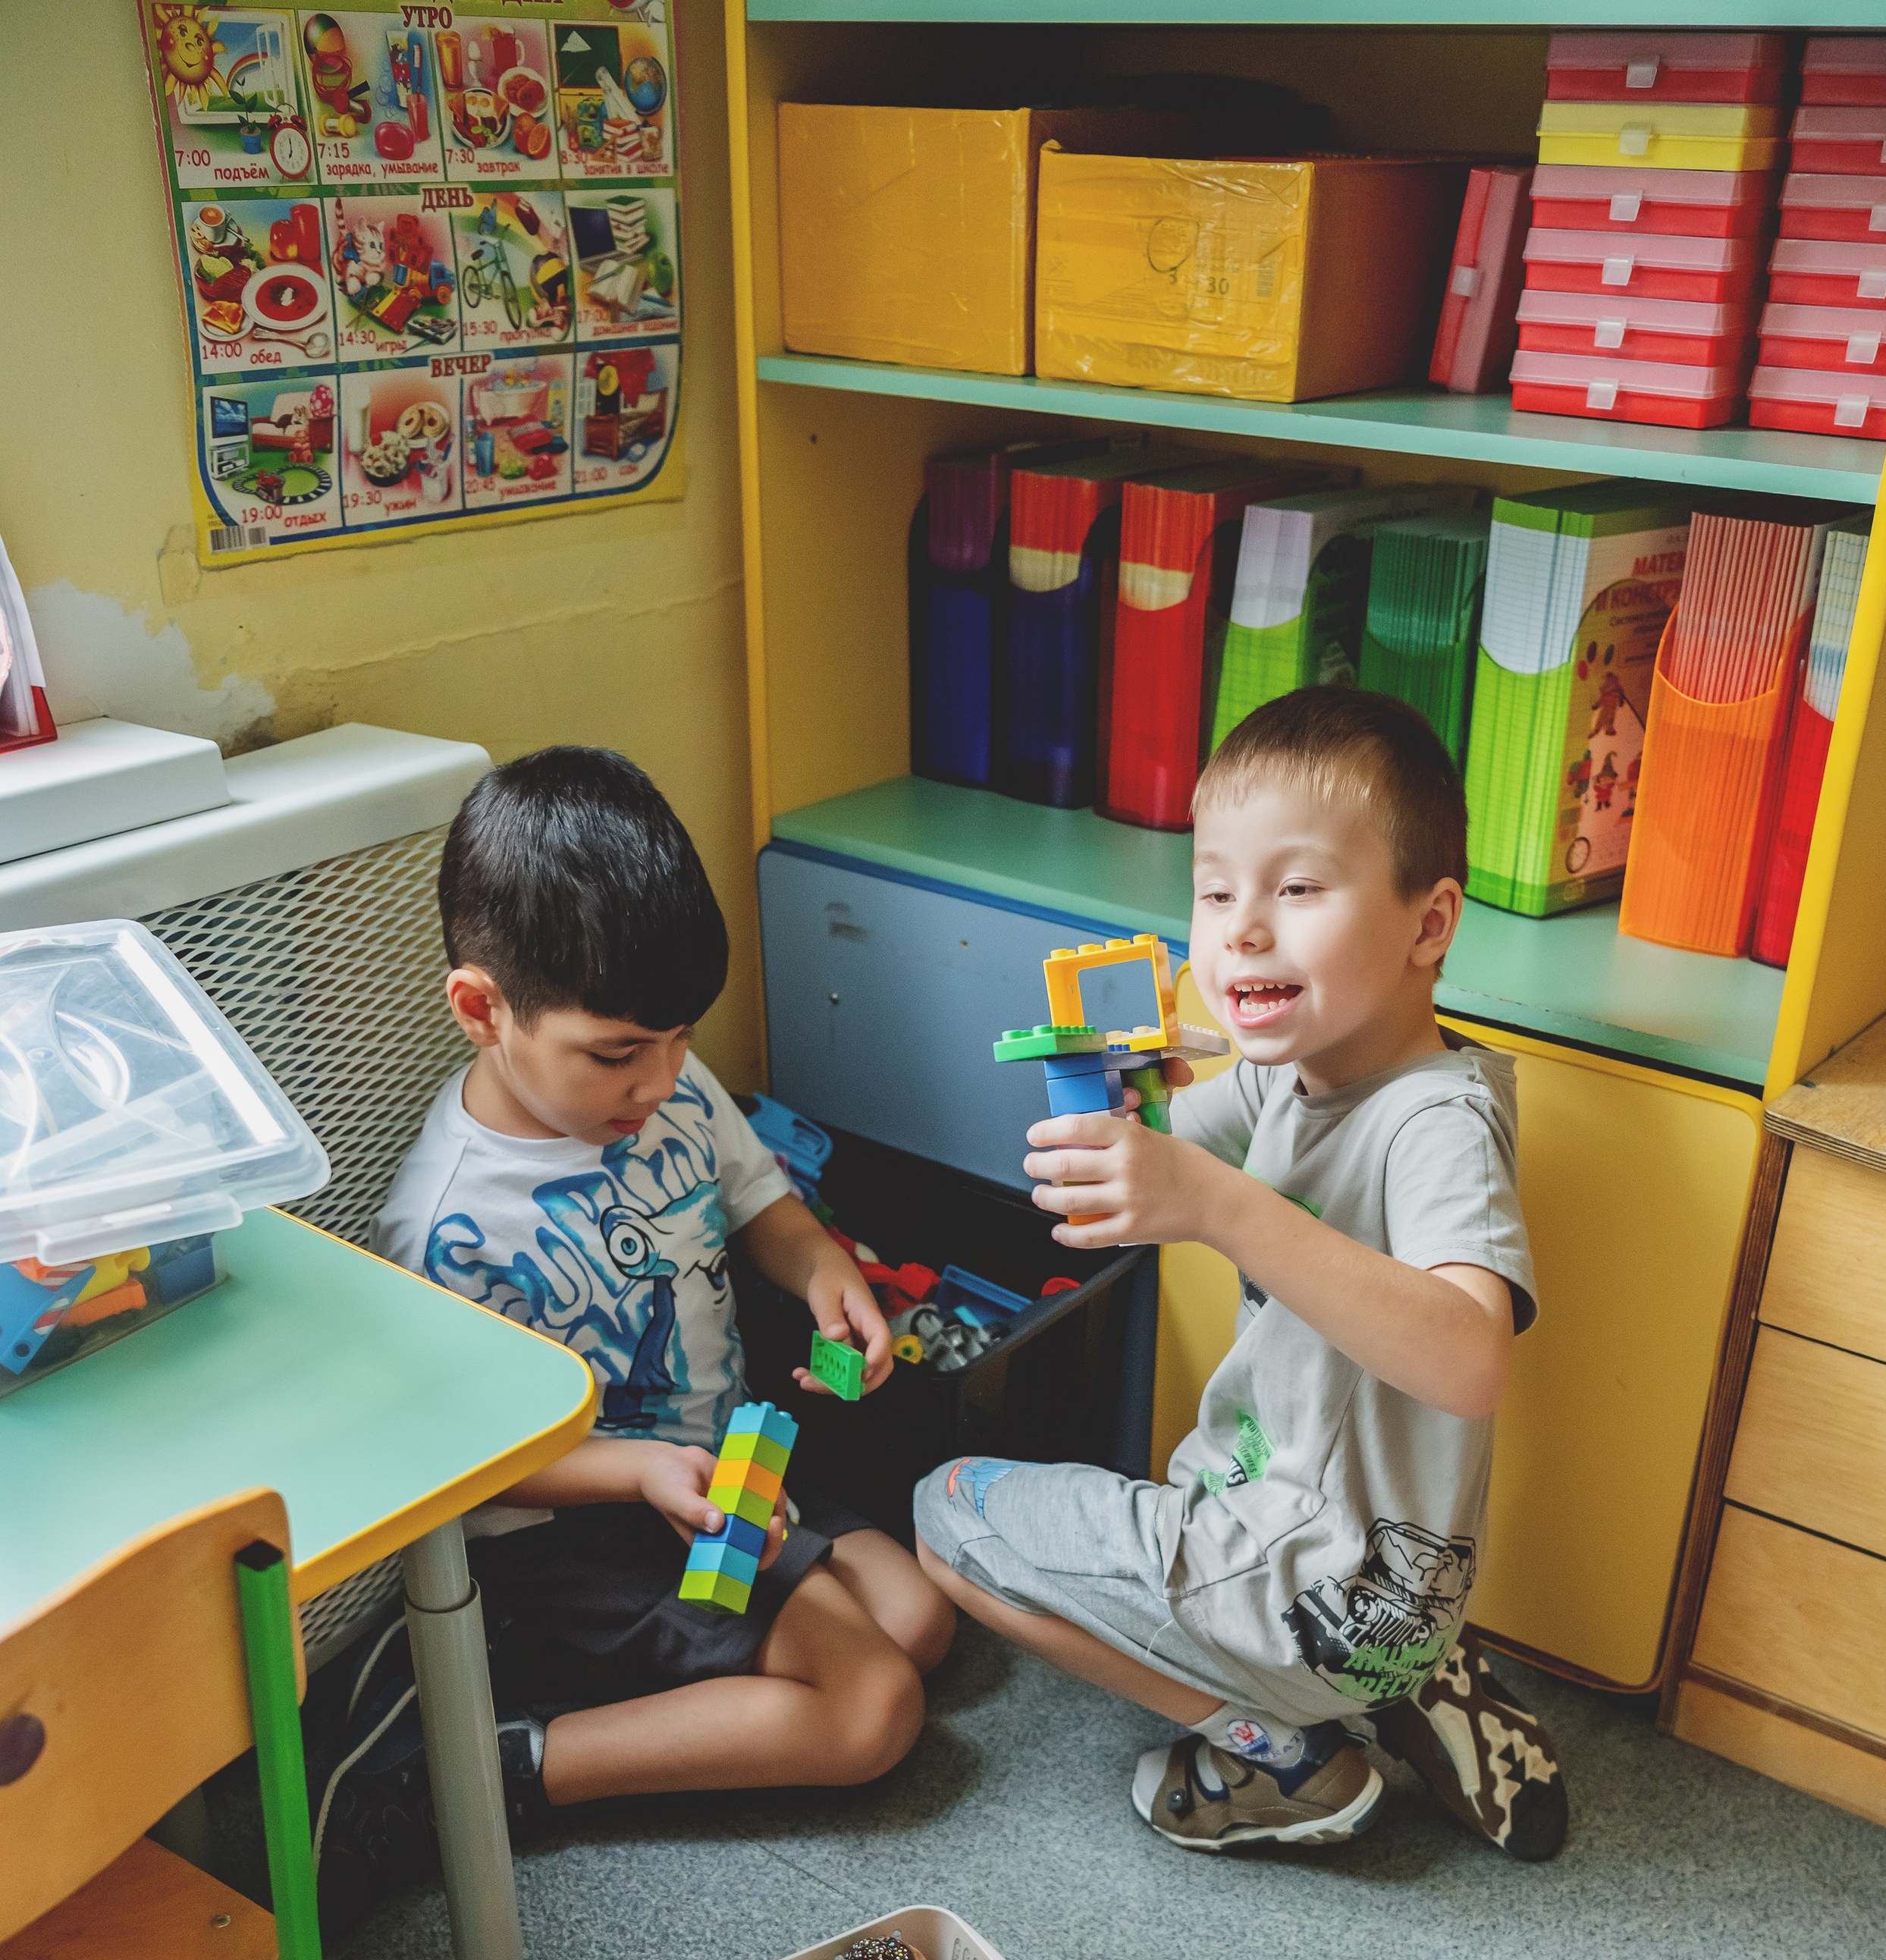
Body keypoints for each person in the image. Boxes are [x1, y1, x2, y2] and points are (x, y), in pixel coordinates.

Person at [912, 685, 1566, 1862]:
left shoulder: (1435, 1126)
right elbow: (1151, 1155)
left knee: (945, 1513)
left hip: (1290, 1579)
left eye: (1299, 888)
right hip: (1388, 1586)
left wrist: (1212, 1202)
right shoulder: (1315, 1065)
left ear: (1430, 924)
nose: (1242, 932)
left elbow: (1471, 1359)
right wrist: (1124, 1107)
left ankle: (1286, 1755)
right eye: (1216, 891)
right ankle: (1400, 1683)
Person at [329, 746, 953, 1899]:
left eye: (676, 1042)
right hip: (577, 1533)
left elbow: (758, 1199)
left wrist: (821, 1268)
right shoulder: (447, 1226)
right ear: (481, 1008)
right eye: (617, 1054)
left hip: (718, 1473)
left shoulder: (664, 1073)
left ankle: (665, 1693)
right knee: (876, 1703)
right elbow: (470, 1476)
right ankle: (495, 1766)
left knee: (918, 1617)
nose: (660, 1081)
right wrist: (636, 1479)